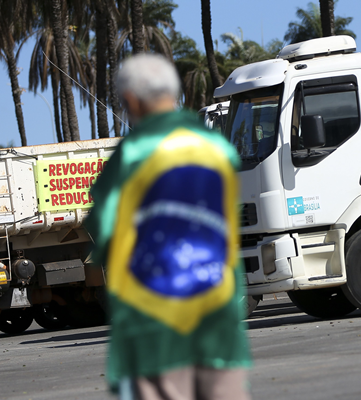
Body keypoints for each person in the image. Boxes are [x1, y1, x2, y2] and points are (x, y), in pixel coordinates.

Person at [85, 54, 252, 400]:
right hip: (218, 315)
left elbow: (104, 228)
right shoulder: (218, 148)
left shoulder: (133, 153)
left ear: (130, 100)